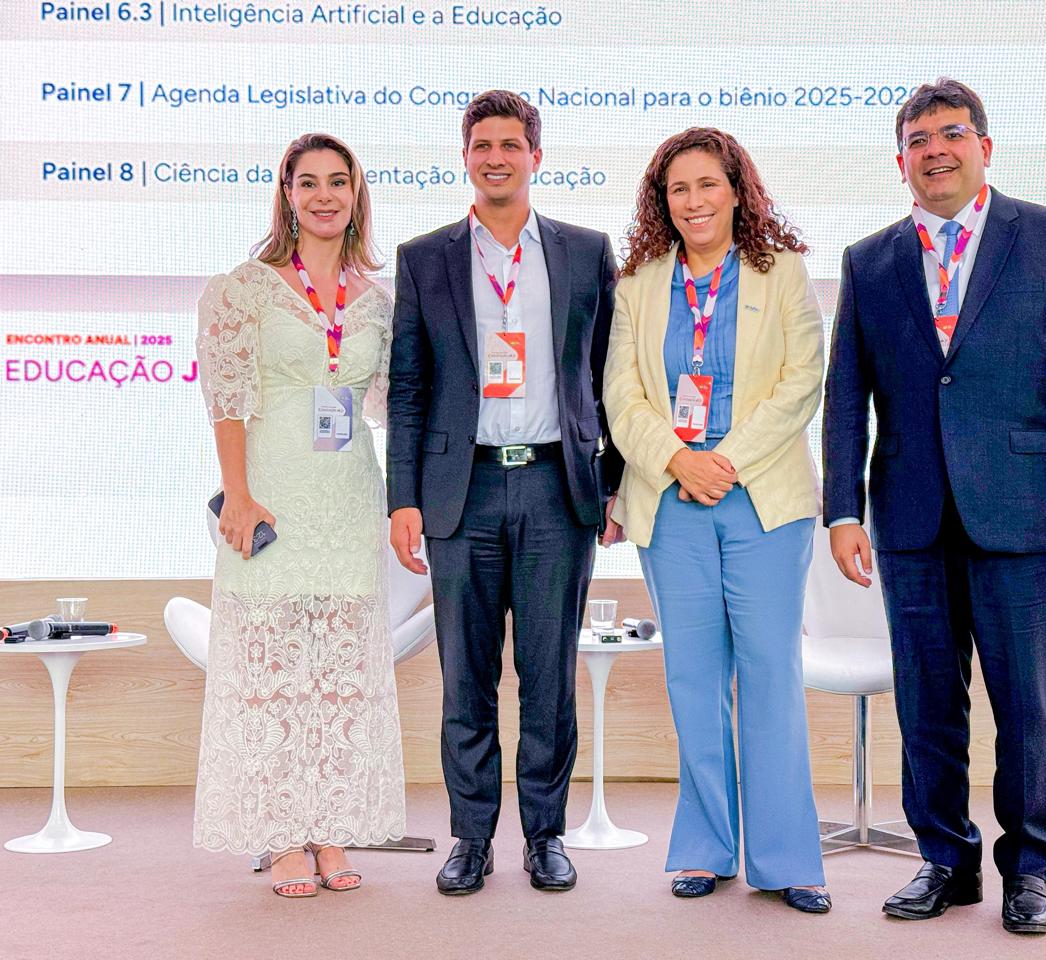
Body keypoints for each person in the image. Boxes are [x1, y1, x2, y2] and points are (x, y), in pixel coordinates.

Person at [822, 79, 1046, 934]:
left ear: (984, 145)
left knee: (1028, 706)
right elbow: (848, 397)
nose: (936, 151)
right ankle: (943, 861)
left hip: (1025, 517)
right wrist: (843, 510)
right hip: (911, 518)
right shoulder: (868, 261)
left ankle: (1029, 872)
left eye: (951, 134)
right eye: (918, 140)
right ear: (901, 162)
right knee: (926, 702)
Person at [386, 90, 622, 896]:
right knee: (467, 677)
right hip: (464, 490)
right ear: (466, 157)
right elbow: (409, 388)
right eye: (482, 144)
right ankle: (472, 836)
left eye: (511, 144)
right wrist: (403, 497)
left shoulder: (588, 252)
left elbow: (607, 381)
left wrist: (612, 483)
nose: (497, 156)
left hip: (559, 487)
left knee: (550, 674)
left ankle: (546, 835)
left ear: (536, 157)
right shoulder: (425, 259)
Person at [603, 128, 830, 914]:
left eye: (707, 185)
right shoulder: (638, 284)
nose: (693, 202)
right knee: (693, 680)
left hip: (763, 502)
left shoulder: (784, 273)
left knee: (770, 677)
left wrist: (721, 460)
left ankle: (786, 860)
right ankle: (705, 848)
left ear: (738, 190)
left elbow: (802, 384)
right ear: (661, 203)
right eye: (677, 190)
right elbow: (620, 396)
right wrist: (677, 460)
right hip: (671, 505)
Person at [194, 133, 406, 898]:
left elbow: (388, 402)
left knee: (339, 674)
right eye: (307, 182)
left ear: (357, 195)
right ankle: (281, 837)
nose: (323, 195)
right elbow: (225, 399)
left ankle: (329, 829)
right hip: (270, 497)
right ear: (287, 193)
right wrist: (238, 494)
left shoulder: (379, 300)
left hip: (349, 497)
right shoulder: (242, 289)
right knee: (271, 673)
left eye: (337, 182)